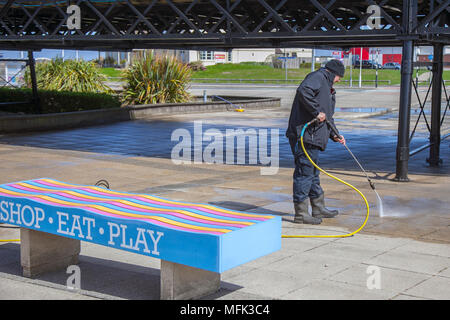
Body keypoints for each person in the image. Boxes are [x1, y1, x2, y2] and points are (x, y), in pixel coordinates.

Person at [286, 59, 346, 225]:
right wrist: (315, 112)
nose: (339, 80)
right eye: (339, 77)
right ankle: (301, 213)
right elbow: (303, 91)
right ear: (333, 73)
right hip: (304, 136)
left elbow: (327, 117)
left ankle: (318, 208)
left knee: (313, 174)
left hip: (314, 137)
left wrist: (335, 135)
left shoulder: (328, 89)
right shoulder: (318, 77)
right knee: (304, 174)